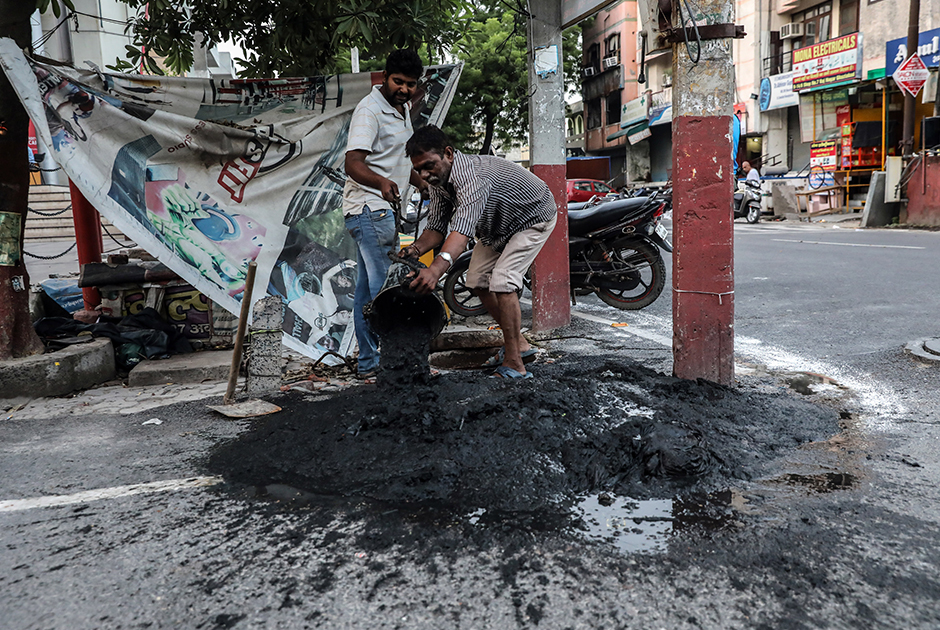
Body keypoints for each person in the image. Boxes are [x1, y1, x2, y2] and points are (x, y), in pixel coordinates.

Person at [401, 125, 557, 379]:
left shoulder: (473, 177)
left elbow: (460, 233)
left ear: (448, 154)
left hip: (531, 217)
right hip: (496, 227)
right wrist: (414, 250)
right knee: (476, 281)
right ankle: (520, 344)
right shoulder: (440, 182)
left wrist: (436, 271)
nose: (425, 174)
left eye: (429, 165)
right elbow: (437, 228)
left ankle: (515, 363)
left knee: (503, 282)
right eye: (418, 170)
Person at [343, 49, 427, 378]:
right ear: (384, 77)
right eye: (398, 82)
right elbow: (353, 164)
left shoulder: (400, 109)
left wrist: (426, 185)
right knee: (391, 289)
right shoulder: (370, 111)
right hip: (370, 210)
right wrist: (380, 182)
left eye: (410, 84)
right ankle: (399, 364)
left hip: (381, 211)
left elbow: (401, 165)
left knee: (367, 291)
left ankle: (369, 363)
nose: (404, 89)